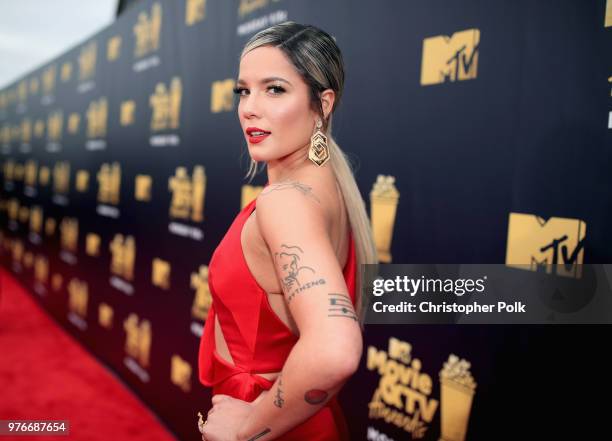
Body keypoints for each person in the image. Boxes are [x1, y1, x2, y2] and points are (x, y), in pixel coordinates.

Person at [198, 21, 377, 441]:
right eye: (244, 90)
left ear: (323, 103)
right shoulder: (329, 184)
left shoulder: (287, 202)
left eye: (274, 89)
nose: (250, 108)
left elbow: (334, 351)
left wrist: (246, 431)